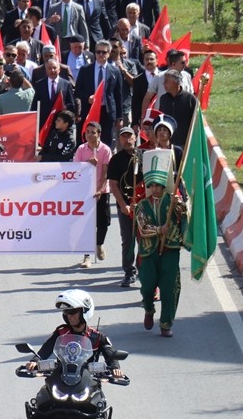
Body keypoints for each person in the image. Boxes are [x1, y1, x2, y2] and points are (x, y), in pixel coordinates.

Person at [22, 289, 125, 388]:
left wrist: (115, 368)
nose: (69, 316)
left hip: (88, 381)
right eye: (66, 312)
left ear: (85, 311)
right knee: (42, 397)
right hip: (60, 379)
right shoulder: (61, 333)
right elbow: (46, 348)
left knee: (99, 402)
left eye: (72, 312)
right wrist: (35, 360)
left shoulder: (98, 337)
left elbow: (110, 354)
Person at [134, 162, 188, 338]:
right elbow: (142, 228)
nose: (156, 189)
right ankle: (148, 308)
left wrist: (179, 204)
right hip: (149, 252)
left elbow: (185, 214)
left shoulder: (173, 201)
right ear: (149, 186)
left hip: (170, 249)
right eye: (153, 185)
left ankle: (166, 323)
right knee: (147, 286)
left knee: (169, 287)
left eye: (159, 185)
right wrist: (158, 230)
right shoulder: (142, 205)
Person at [106, 127, 143, 288]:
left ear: (136, 138)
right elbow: (113, 185)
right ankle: (129, 271)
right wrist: (123, 206)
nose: (127, 139)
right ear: (119, 139)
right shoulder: (115, 160)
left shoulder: (144, 156)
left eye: (130, 136)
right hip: (126, 207)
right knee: (128, 240)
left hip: (144, 206)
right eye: (124, 137)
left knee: (145, 239)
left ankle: (144, 269)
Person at [74, 121, 113, 269]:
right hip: (85, 191)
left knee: (103, 222)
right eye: (88, 132)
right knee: (86, 224)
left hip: (102, 190)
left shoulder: (105, 150)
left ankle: (98, 244)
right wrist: (87, 165)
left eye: (93, 132)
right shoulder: (81, 149)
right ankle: (86, 255)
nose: (90, 135)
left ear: (99, 134)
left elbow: (105, 173)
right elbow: (76, 169)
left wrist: (100, 190)